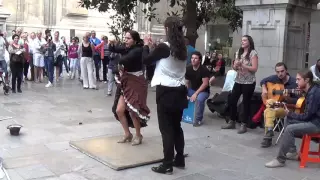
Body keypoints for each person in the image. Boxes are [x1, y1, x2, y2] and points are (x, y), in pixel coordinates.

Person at [143, 16, 188, 174]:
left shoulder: (164, 47)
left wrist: (146, 45)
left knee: (166, 129)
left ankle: (167, 164)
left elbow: (146, 60)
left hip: (166, 92)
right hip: (180, 91)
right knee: (177, 127)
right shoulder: (183, 47)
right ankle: (180, 158)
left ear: (168, 29)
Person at [265, 70, 320, 168]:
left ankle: (280, 159)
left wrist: (290, 113)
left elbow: (307, 116)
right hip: (313, 120)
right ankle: (292, 151)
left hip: (316, 124)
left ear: (307, 80)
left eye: (299, 79)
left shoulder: (314, 93)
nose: (296, 82)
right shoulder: (310, 91)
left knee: (290, 129)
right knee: (288, 119)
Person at [109, 30, 150, 146]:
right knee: (119, 110)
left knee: (133, 110)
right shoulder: (127, 48)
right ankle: (127, 134)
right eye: (125, 38)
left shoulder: (138, 50)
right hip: (126, 81)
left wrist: (118, 65)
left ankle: (138, 135)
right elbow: (113, 49)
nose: (126, 40)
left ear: (135, 40)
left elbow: (124, 60)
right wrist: (112, 44)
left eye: (128, 38)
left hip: (136, 82)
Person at [221, 35, 258, 134]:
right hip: (239, 80)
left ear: (249, 42)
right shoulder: (239, 52)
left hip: (249, 81)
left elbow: (254, 68)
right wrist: (235, 65)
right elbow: (234, 68)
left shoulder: (253, 53)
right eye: (242, 40)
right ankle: (232, 121)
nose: (243, 42)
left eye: (245, 40)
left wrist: (243, 65)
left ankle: (244, 124)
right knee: (232, 100)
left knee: (245, 103)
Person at [260, 62, 298, 148]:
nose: (280, 74)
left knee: (267, 110)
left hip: (286, 109)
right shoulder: (274, 78)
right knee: (269, 108)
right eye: (277, 72)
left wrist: (288, 98)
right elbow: (263, 81)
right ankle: (269, 133)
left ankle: (268, 138)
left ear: (286, 71)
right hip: (275, 106)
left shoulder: (294, 83)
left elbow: (298, 101)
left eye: (282, 71)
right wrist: (263, 88)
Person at [185, 51, 210, 127]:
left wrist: (195, 94)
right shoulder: (188, 68)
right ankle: (184, 115)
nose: (193, 60)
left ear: (199, 60)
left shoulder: (204, 69)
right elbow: (186, 83)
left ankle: (198, 119)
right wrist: (185, 93)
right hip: (192, 89)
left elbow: (205, 84)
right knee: (180, 94)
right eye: (192, 58)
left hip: (203, 91)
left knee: (199, 99)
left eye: (196, 58)